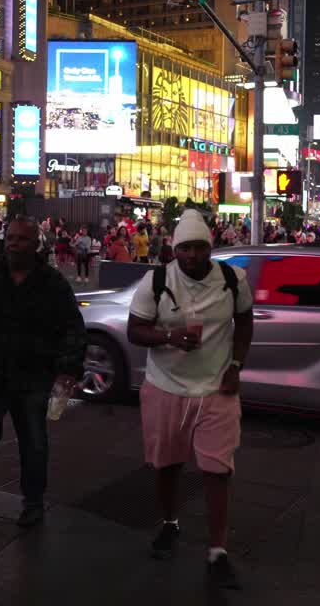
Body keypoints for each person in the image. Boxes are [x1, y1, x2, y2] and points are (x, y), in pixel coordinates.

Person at [125, 210, 254, 590]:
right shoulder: (157, 281)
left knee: (218, 471)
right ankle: (169, 523)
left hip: (217, 390)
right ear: (174, 249)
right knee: (167, 466)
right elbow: (135, 330)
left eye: (199, 248)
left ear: (210, 249)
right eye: (185, 248)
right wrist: (169, 338)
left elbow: (245, 321)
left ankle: (218, 551)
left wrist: (236, 365)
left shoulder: (233, 279)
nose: (192, 256)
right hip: (165, 387)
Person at [0, 218, 86, 542]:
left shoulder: (52, 282)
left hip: (34, 379)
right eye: (10, 238)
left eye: (21, 240)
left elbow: (72, 327)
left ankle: (33, 504)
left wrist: (68, 367)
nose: (13, 244)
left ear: (35, 244)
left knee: (34, 446)